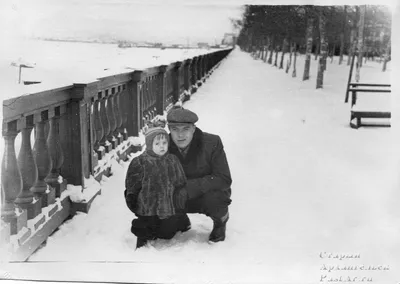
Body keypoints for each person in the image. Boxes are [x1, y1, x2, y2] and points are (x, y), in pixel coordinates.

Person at [167, 106, 232, 242]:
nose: (180, 135)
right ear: (169, 130)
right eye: (175, 129)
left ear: (193, 129)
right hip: (178, 195)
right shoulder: (162, 145)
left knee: (216, 198)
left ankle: (221, 221)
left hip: (205, 194)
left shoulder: (212, 143)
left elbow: (224, 179)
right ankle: (180, 218)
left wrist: (189, 188)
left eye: (185, 129)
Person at [124, 126, 188, 248]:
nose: (162, 146)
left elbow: (181, 182)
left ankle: (177, 222)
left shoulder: (172, 160)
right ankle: (143, 235)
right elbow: (132, 185)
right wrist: (133, 202)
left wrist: (179, 200)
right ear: (149, 144)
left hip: (167, 207)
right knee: (146, 229)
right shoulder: (140, 162)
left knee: (167, 233)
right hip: (147, 207)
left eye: (164, 143)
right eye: (157, 143)